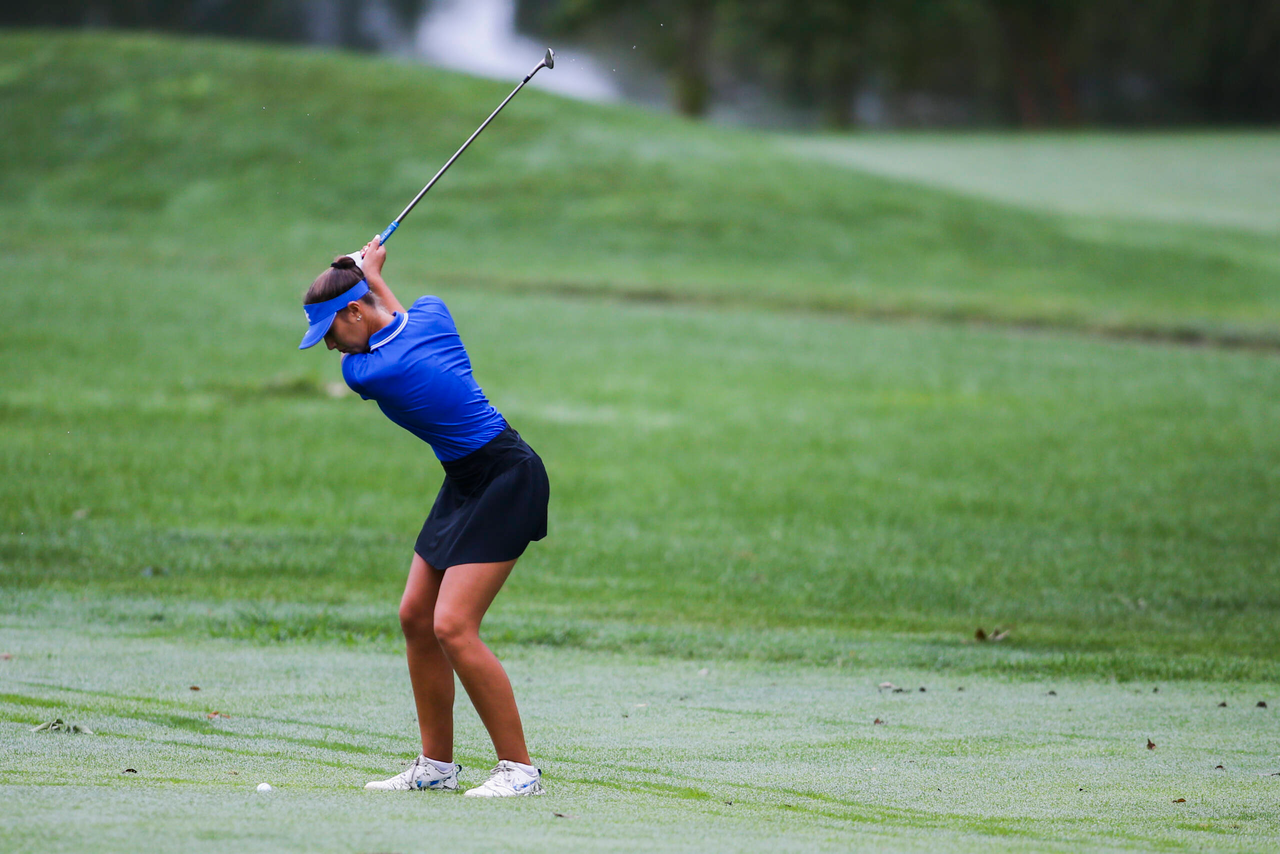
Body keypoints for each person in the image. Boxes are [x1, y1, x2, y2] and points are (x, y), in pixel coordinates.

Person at [299, 236, 550, 797]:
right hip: (465, 478)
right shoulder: (435, 313)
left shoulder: (366, 374)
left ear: (355, 312)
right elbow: (402, 319)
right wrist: (372, 273)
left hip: (507, 479)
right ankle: (435, 765)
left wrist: (368, 272)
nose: (331, 348)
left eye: (332, 332)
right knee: (416, 614)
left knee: (453, 626)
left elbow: (378, 344)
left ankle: (519, 770)